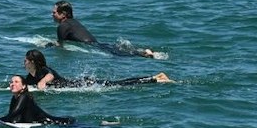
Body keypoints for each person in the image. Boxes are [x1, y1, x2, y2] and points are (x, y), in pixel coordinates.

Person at [52, 0, 165, 58]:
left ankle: (144, 54)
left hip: (91, 46)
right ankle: (144, 51)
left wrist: (49, 46)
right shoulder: (73, 22)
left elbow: (62, 46)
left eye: (54, 13)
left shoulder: (63, 26)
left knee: (120, 56)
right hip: (97, 43)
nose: (52, 15)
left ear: (63, 14)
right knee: (120, 51)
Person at [23, 48, 171, 90]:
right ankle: (155, 77)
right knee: (120, 83)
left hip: (82, 85)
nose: (23, 63)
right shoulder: (31, 75)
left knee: (121, 83)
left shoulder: (43, 70)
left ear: (32, 62)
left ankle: (155, 78)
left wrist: (42, 82)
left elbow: (50, 76)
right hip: (78, 83)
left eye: (25, 60)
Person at [0, 76, 76, 127]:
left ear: (24, 86)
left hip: (58, 123)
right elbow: (13, 115)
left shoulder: (24, 96)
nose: (12, 84)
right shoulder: (15, 97)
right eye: (11, 82)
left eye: (16, 82)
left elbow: (15, 112)